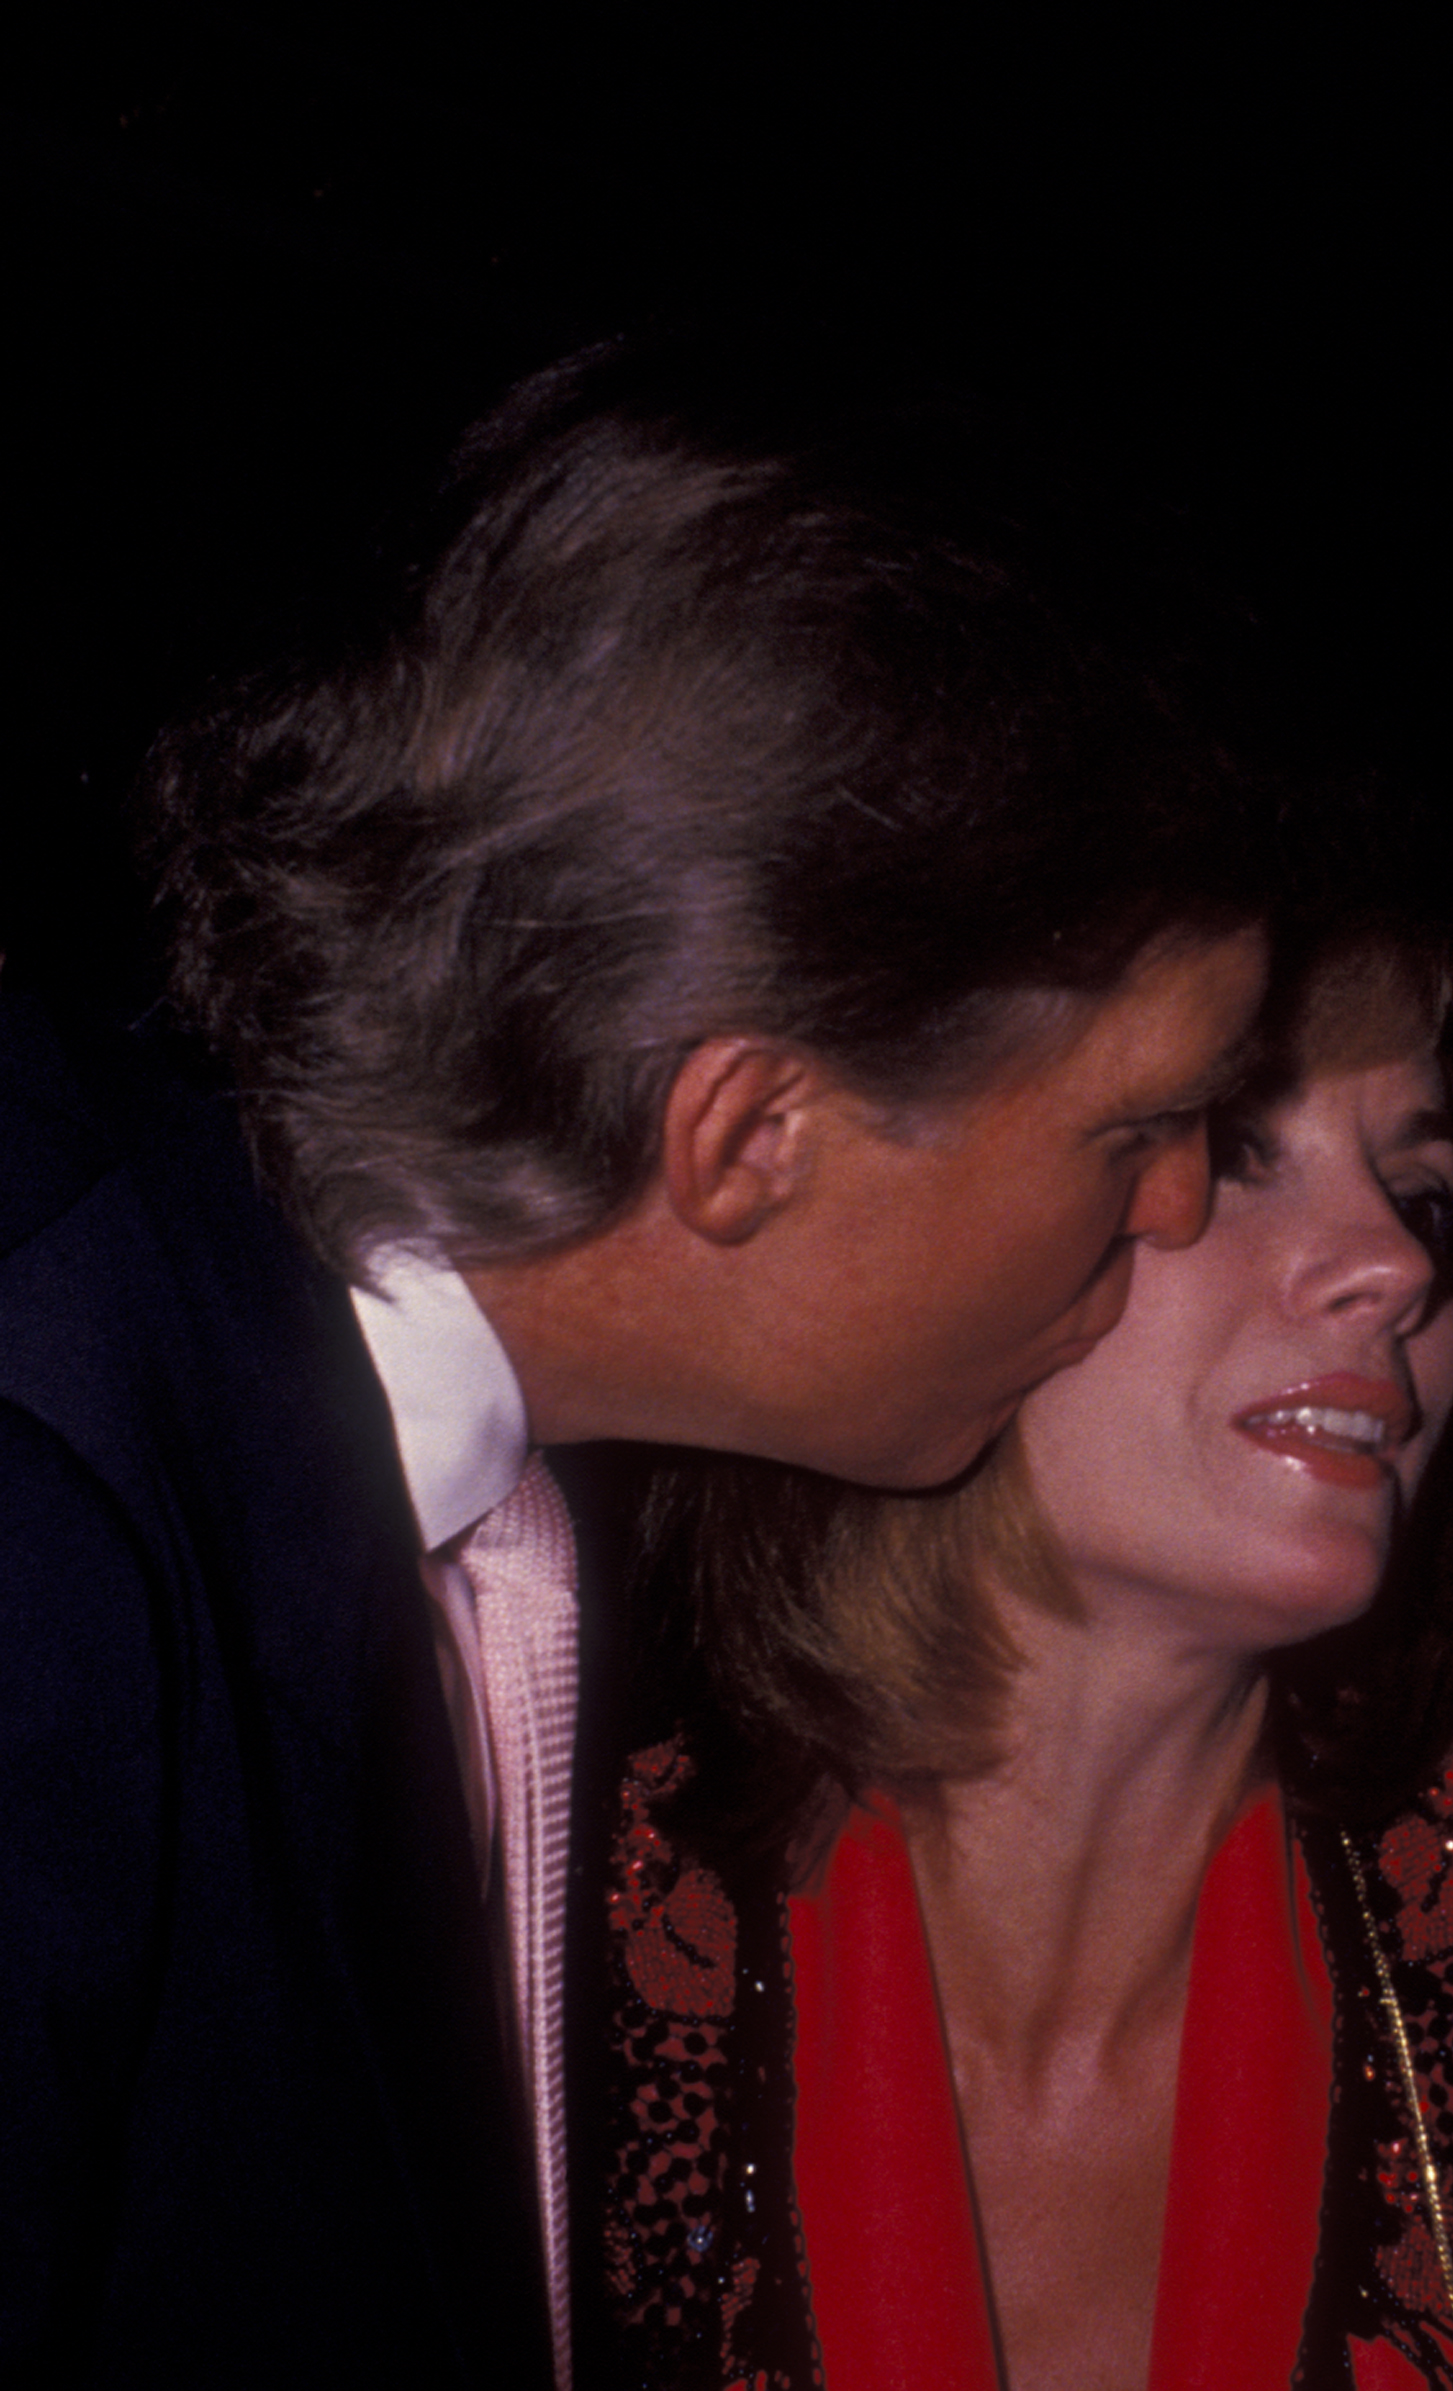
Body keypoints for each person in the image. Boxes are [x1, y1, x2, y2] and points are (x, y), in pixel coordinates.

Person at [1, 339, 1265, 2382]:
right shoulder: (40, 1504)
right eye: (1135, 1126)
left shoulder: (376, 1467)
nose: (1190, 1206)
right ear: (752, 1134)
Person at [586, 925, 1453, 2391]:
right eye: (1236, 1149)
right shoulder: (560, 1929)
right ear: (929, 1232)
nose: (1393, 1265)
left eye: (1423, 1191)